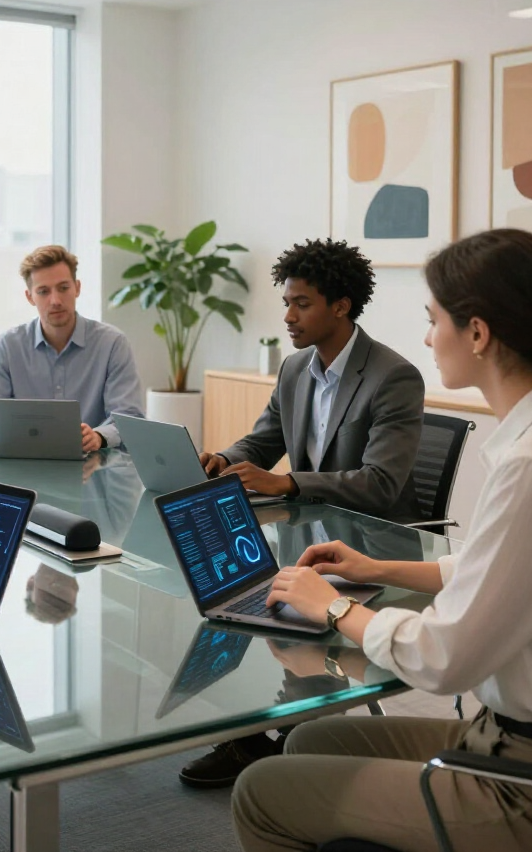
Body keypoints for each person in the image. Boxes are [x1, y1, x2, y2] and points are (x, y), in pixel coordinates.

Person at [233, 228, 532, 851]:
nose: (426, 337)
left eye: (433, 321)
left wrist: (335, 607)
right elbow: (489, 568)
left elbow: (445, 659)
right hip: (507, 735)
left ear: (477, 334)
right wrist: (378, 567)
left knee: (261, 791)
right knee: (311, 737)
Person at [182, 237, 425, 788]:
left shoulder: (393, 376)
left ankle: (294, 735)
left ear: (341, 305)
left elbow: (382, 484)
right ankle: (253, 735)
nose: (288, 316)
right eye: (286, 302)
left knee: (265, 602)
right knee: (225, 589)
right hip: (307, 537)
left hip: (375, 545)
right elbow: (262, 443)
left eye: (302, 303)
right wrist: (225, 459)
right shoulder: (296, 368)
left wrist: (287, 482)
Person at [0, 244, 145, 452]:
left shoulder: (113, 344)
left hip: (95, 465)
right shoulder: (8, 345)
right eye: (43, 292)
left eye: (63, 288)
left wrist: (98, 436)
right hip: (22, 462)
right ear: (30, 297)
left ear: (77, 287)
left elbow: (129, 417)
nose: (55, 301)